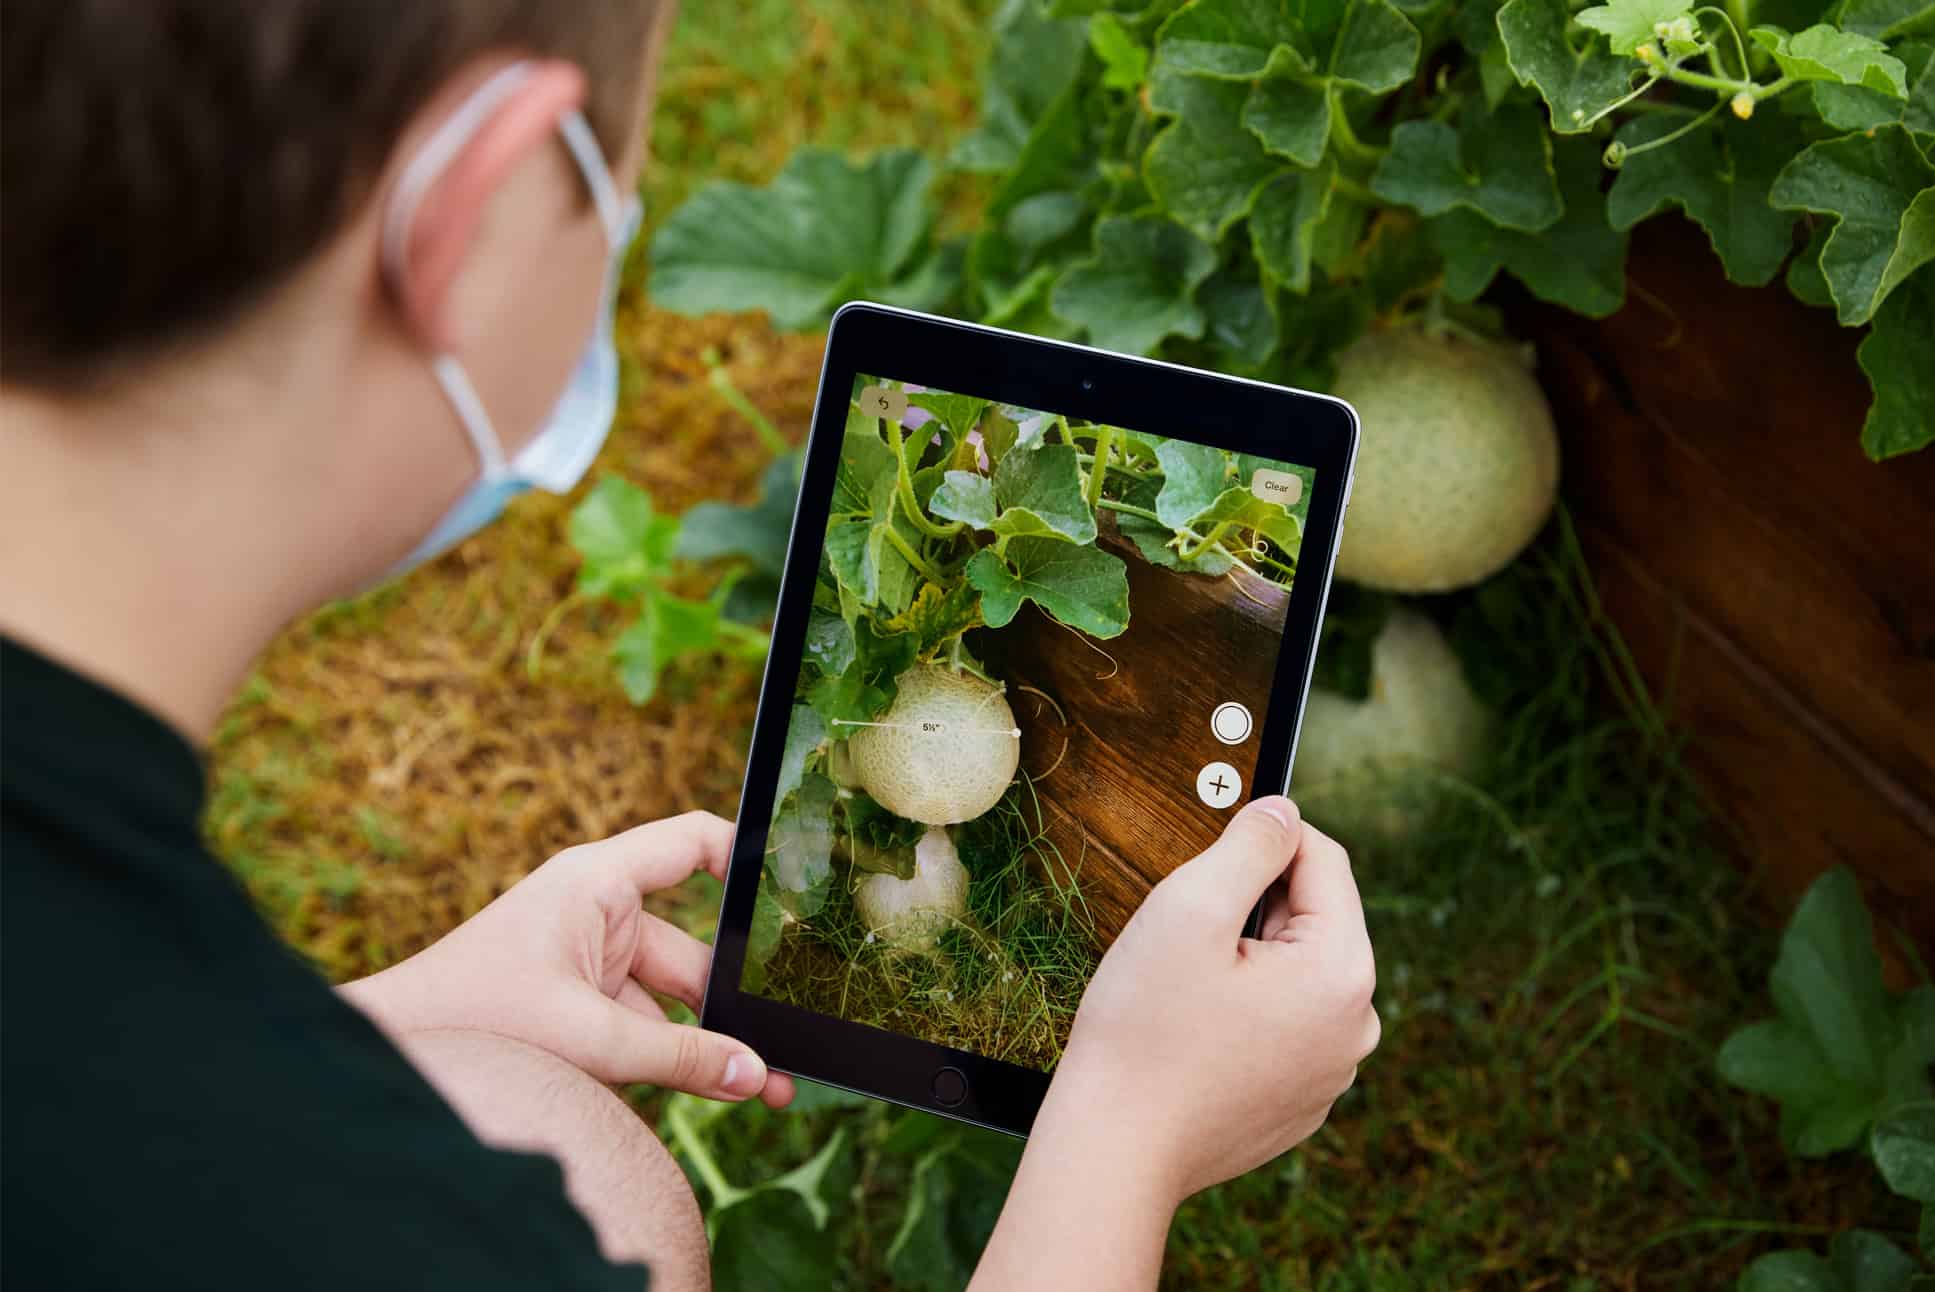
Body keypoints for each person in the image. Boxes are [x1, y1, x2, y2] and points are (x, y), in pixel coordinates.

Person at [0, 2, 1381, 1288]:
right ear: (469, 214)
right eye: (622, 191)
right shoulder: (430, 1241)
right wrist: (1129, 1130)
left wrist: (378, 1026)